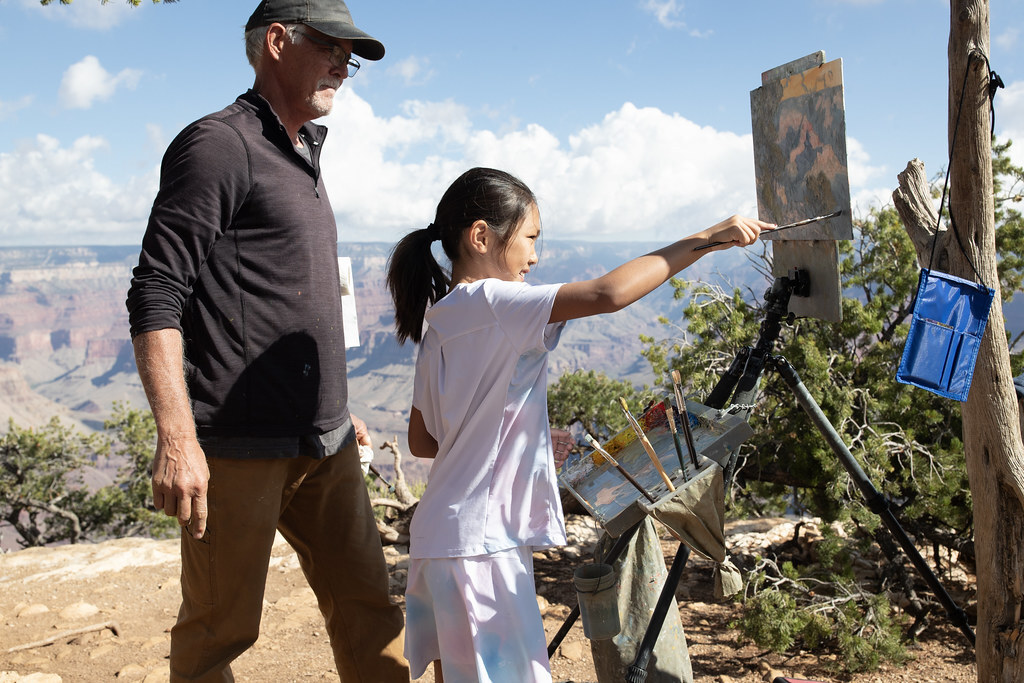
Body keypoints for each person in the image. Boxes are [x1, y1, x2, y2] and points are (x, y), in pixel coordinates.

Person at [385, 167, 770, 683]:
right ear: (480, 237)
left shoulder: (440, 320)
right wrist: (704, 239)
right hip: (481, 547)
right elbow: (608, 294)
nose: (535, 256)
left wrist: (524, 439)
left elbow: (423, 440)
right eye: (530, 238)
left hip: (439, 540)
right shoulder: (496, 302)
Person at [125, 1, 409, 680]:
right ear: (277, 41)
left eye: (353, 56)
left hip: (326, 441)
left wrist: (336, 404)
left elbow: (290, 297)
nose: (345, 63)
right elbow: (156, 291)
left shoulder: (302, 152)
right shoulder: (221, 144)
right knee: (220, 629)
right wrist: (177, 437)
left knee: (370, 607)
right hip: (239, 444)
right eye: (331, 45)